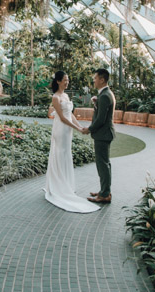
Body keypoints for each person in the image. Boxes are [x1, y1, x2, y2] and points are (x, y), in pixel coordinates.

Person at [44, 71, 100, 213]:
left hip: (68, 130)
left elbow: (71, 115)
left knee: (66, 154)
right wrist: (78, 129)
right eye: (64, 80)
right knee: (60, 154)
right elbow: (62, 118)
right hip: (61, 130)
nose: (67, 82)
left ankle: (66, 185)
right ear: (58, 81)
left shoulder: (66, 95)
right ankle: (58, 186)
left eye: (68, 80)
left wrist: (80, 126)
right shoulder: (55, 98)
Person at [82, 68, 116, 204]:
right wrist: (97, 102)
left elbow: (101, 119)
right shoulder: (106, 94)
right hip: (105, 134)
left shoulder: (104, 96)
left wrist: (89, 129)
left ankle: (104, 194)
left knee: (102, 164)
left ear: (102, 80)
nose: (94, 80)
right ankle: (105, 190)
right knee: (105, 164)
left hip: (103, 135)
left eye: (95, 78)